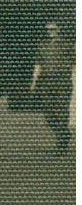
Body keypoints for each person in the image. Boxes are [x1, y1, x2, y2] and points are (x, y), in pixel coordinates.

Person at [29, 21, 73, 155]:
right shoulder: (42, 45)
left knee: (62, 111)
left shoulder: (67, 45)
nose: (51, 32)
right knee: (48, 111)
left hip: (63, 82)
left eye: (53, 29)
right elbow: (38, 65)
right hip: (46, 82)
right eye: (48, 30)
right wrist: (33, 82)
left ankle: (61, 144)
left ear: (58, 30)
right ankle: (64, 133)